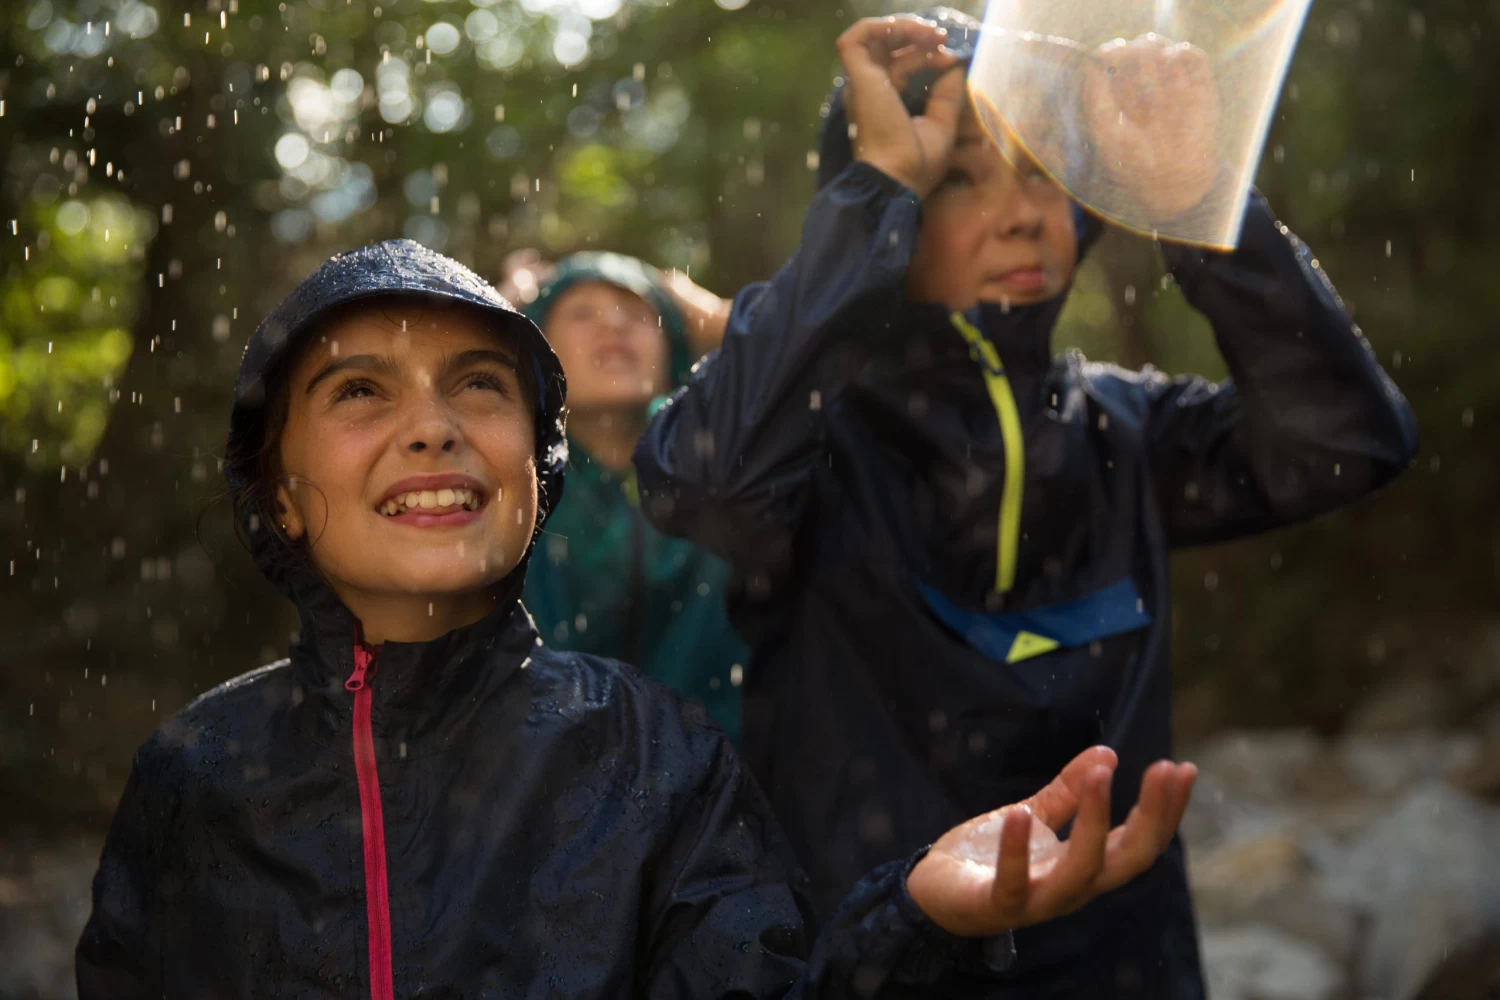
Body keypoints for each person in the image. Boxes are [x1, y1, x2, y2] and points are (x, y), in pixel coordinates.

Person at [75, 240, 1198, 999]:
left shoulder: (659, 761)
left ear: (535, 460)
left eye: (478, 384)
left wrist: (904, 920)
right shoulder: (198, 777)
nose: (432, 427)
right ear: (273, 487)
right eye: (361, 389)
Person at [633, 8, 1419, 997]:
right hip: (878, 961)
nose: (1020, 213)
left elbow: (1349, 444)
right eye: (958, 175)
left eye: (1045, 170)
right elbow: (700, 484)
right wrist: (873, 190)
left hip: (1127, 964)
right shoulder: (817, 441)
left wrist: (1201, 201)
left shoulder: (1126, 431)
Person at [508, 251, 748, 742]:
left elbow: (836, 361)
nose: (614, 326)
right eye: (580, 313)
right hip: (542, 798)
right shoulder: (506, 482)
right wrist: (499, 315)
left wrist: (722, 319)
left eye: (640, 313)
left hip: (727, 791)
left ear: (675, 347)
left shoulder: (731, 460)